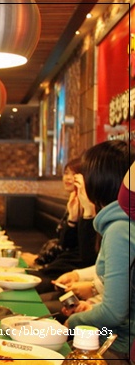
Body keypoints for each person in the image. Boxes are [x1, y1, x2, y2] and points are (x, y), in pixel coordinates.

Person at [57, 140, 135, 362]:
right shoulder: (120, 222)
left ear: (99, 181)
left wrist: (73, 323)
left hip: (119, 345)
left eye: (84, 177)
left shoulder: (120, 229)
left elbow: (114, 313)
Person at [22, 158, 98, 294]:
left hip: (66, 271)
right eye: (66, 173)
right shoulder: (74, 204)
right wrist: (72, 219)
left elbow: (85, 254)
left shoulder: (92, 209)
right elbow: (65, 242)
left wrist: (39, 261)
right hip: (60, 268)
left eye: (74, 174)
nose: (68, 178)